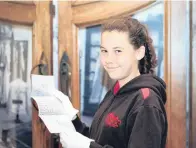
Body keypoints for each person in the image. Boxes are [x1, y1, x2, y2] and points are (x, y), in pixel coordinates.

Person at [54, 16, 168, 148]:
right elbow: (97, 140)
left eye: (118, 51)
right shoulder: (115, 92)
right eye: (104, 51)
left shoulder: (146, 102)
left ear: (139, 52)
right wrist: (73, 119)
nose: (109, 59)